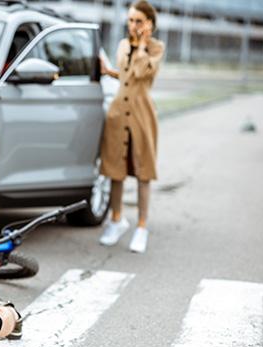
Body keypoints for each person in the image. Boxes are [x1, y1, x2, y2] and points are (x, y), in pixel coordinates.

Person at [99, 0, 165, 253]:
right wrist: (110, 72)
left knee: (142, 171)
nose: (133, 25)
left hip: (141, 115)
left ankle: (141, 226)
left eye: (139, 21)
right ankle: (116, 220)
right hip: (118, 113)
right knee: (114, 168)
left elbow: (140, 72)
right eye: (130, 20)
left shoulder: (156, 48)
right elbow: (126, 75)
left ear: (149, 24)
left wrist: (141, 46)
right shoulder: (123, 44)